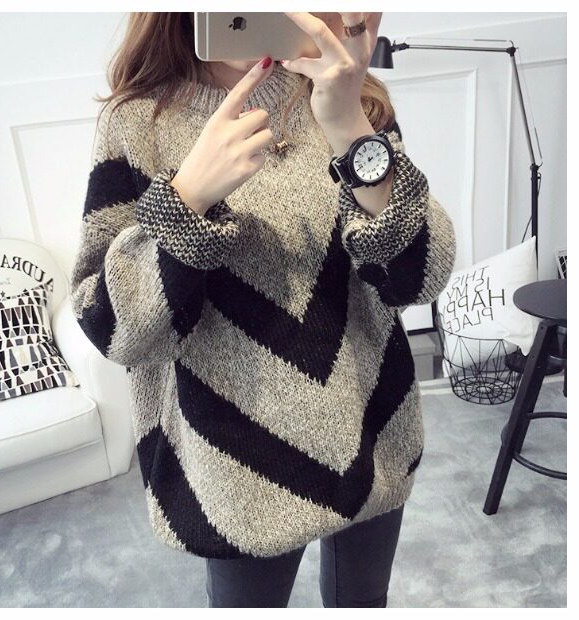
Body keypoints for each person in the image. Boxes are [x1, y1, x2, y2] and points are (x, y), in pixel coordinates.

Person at [70, 12, 457, 608]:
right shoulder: (136, 123)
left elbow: (420, 278)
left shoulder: (350, 94)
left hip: (373, 429)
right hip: (232, 470)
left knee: (363, 603)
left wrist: (348, 126)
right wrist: (187, 198)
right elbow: (110, 326)